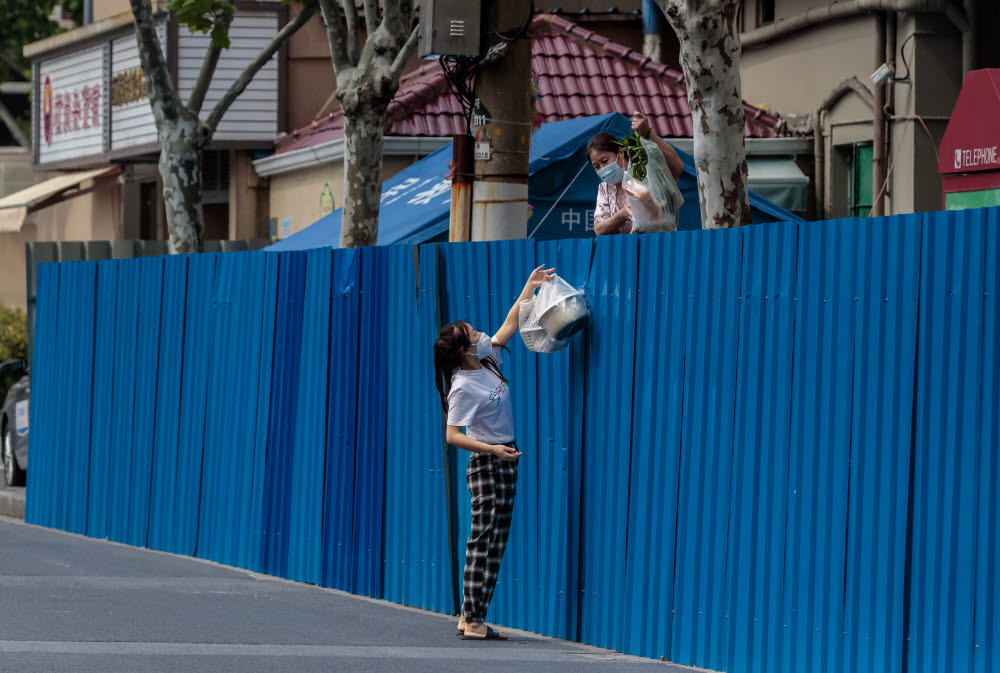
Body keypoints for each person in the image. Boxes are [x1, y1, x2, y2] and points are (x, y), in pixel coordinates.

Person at [433, 264, 555, 641]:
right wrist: (492, 450)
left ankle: (471, 615)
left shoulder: (486, 359)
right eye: (473, 333)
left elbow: (509, 325)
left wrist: (529, 287)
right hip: (488, 462)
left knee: (496, 539)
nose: (481, 333)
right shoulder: (462, 386)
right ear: (464, 351)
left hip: (505, 456)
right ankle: (472, 620)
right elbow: (453, 435)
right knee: (482, 538)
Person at [586, 110, 685, 236]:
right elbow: (599, 229)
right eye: (596, 166)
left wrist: (647, 133)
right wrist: (622, 215)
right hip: (625, 252)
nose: (602, 168)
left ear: (620, 152)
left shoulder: (645, 172)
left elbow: (678, 167)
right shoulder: (605, 188)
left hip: (659, 246)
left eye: (605, 161)